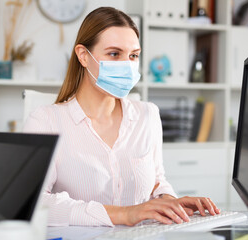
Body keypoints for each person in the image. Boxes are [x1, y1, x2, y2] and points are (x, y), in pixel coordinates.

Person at [23, 6, 220, 227]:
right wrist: (125, 214)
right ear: (83, 56)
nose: (127, 65)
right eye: (114, 54)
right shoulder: (45, 121)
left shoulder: (148, 115)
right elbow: (35, 203)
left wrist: (170, 202)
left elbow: (157, 181)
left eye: (133, 55)